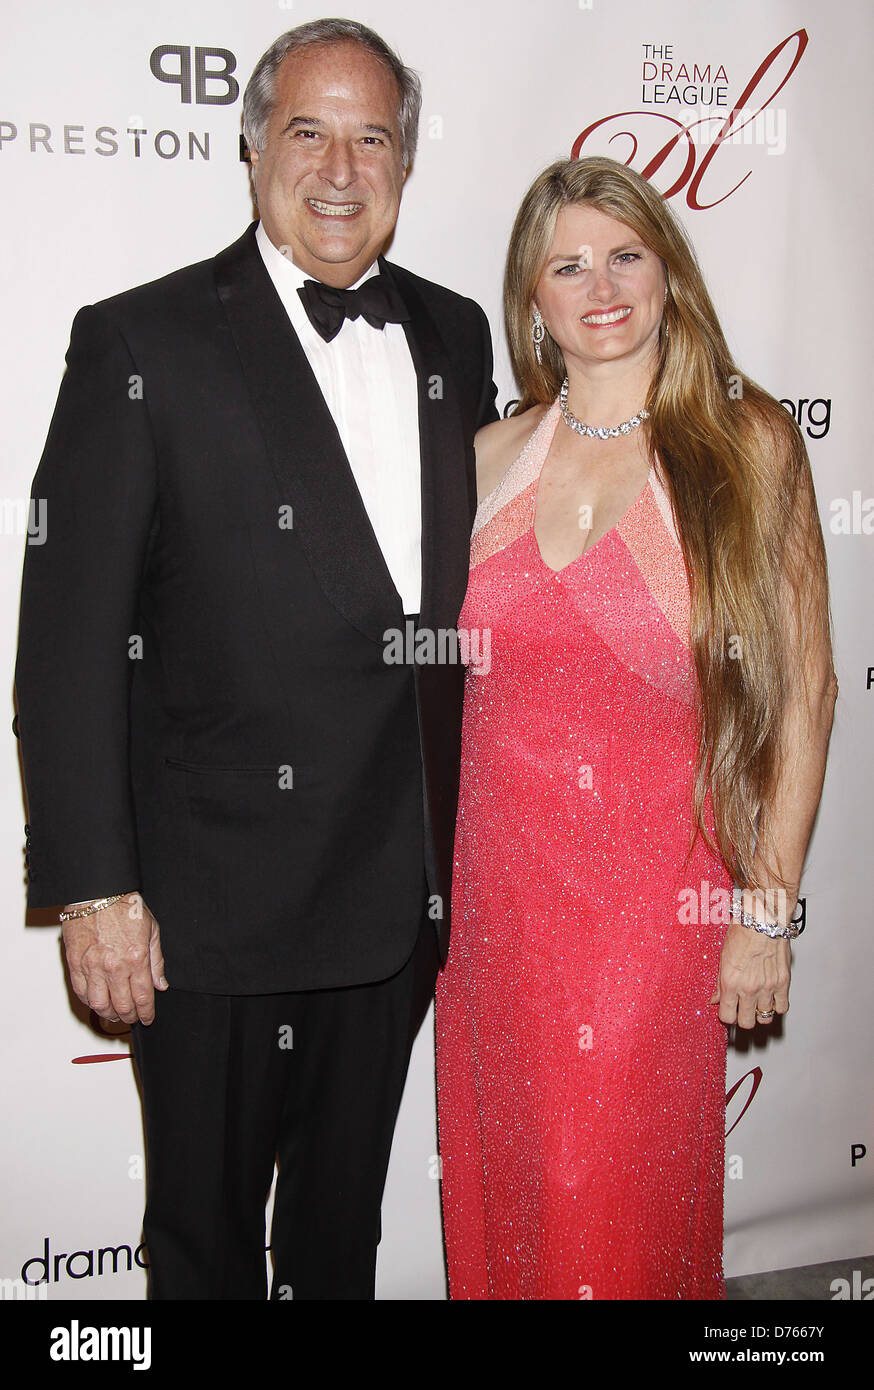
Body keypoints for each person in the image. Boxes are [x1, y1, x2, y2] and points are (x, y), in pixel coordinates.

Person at [15, 18, 497, 1300]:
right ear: (251, 149)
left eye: (372, 137)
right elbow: (66, 639)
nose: (341, 168)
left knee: (342, 1239)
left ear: (405, 160)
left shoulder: (454, 339)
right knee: (206, 1245)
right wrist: (95, 887)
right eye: (307, 131)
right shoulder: (141, 342)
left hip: (397, 894)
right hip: (207, 911)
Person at [434, 155, 837, 1300]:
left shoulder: (746, 443)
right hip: (496, 914)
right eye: (566, 264)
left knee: (607, 1205)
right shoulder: (484, 460)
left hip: (658, 912)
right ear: (532, 297)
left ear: (669, 269)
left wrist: (765, 906)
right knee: (505, 1190)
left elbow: (805, 687)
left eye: (624, 254)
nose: (599, 285)